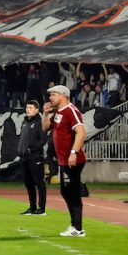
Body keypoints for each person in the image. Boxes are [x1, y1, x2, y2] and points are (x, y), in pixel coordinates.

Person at [42, 85, 87, 237]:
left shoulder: (71, 111)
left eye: (53, 94)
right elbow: (46, 127)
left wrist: (74, 152)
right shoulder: (57, 113)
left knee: (72, 192)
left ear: (63, 95)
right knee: (66, 191)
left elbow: (81, 133)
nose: (50, 97)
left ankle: (78, 228)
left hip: (73, 160)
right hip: (64, 160)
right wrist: (45, 114)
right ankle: (75, 226)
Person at [18, 101, 47, 215]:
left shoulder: (40, 122)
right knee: (28, 183)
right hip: (25, 157)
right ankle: (32, 207)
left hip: (35, 157)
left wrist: (33, 148)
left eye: (30, 107)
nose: (28, 109)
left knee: (39, 182)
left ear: (36, 110)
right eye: (27, 107)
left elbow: (43, 139)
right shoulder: (25, 121)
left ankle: (42, 208)